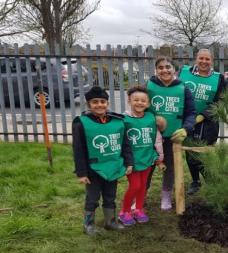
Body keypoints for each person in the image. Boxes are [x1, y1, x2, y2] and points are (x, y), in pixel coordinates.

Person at [72, 86, 133, 235]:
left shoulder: (117, 122)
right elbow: (78, 149)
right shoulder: (82, 123)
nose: (99, 105)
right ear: (88, 105)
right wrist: (81, 173)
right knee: (92, 197)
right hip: (92, 169)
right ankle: (88, 224)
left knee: (110, 195)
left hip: (112, 166)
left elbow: (125, 143)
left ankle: (110, 221)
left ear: (107, 103)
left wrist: (129, 162)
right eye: (95, 102)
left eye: (102, 101)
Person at [146, 56, 196, 211]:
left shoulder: (183, 87)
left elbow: (191, 112)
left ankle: (166, 196)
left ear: (174, 70)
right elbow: (138, 106)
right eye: (160, 67)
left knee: (169, 167)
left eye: (168, 67)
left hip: (172, 135)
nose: (164, 70)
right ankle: (141, 194)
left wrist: (186, 128)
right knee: (146, 166)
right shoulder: (148, 86)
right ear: (156, 70)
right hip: (150, 135)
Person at [178, 49, 226, 195]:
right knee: (190, 151)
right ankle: (195, 181)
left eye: (207, 59)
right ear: (196, 59)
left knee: (205, 152)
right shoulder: (183, 73)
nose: (204, 62)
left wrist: (202, 116)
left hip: (208, 122)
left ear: (212, 61)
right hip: (186, 121)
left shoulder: (219, 78)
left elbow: (221, 101)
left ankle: (211, 180)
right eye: (201, 58)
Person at [118, 86, 165, 225]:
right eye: (136, 100)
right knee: (135, 186)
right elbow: (120, 142)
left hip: (147, 158)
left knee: (143, 186)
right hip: (132, 161)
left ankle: (138, 209)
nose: (139, 103)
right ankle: (124, 211)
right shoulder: (124, 119)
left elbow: (156, 138)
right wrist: (124, 161)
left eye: (143, 100)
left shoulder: (151, 118)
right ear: (129, 101)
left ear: (148, 103)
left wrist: (159, 157)